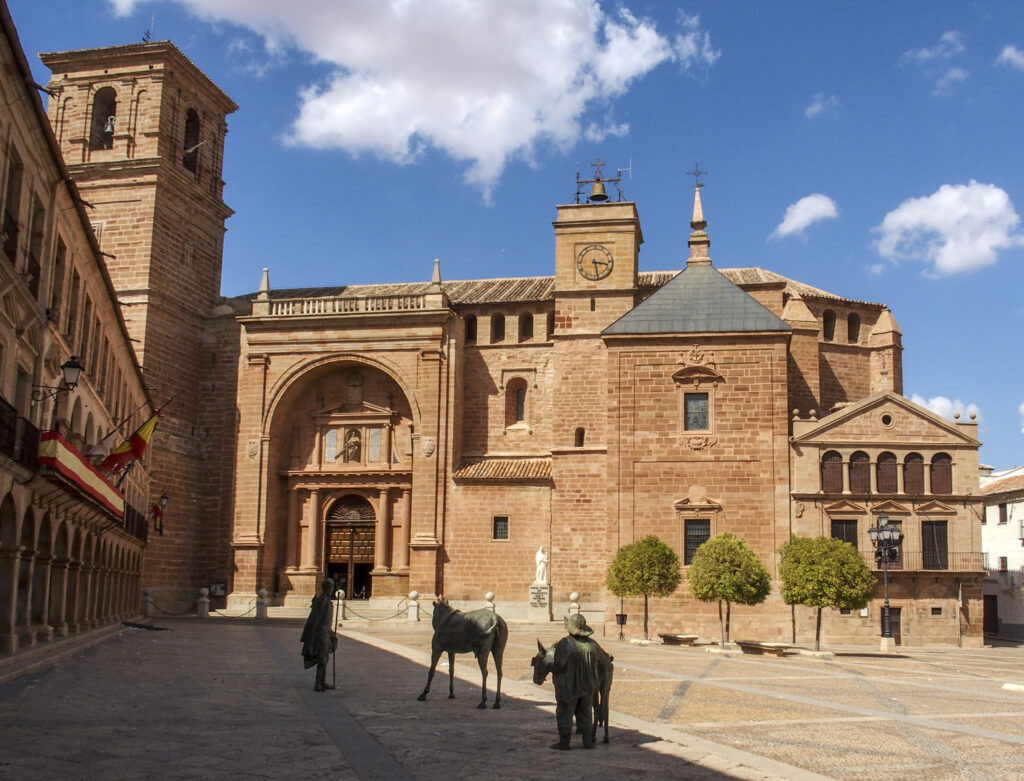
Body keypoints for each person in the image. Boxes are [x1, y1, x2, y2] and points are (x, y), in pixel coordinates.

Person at [548, 614, 601, 750]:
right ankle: (587, 741)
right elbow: (602, 661)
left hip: (569, 686)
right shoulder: (593, 644)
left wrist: (550, 666)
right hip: (588, 686)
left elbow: (559, 665)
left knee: (565, 712)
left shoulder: (566, 643)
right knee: (586, 712)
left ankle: (564, 742)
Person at [300, 578, 338, 692]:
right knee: (322, 659)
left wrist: (331, 632)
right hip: (320, 634)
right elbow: (315, 620)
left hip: (326, 632)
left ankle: (322, 681)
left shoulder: (327, 601)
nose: (332, 589)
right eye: (330, 586)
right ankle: (318, 683)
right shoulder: (321, 602)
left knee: (325, 658)